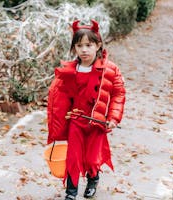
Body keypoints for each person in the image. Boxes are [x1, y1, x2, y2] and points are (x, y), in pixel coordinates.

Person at [47, 19, 126, 199]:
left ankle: (93, 179)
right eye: (79, 45)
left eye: (89, 45)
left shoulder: (110, 70)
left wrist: (113, 117)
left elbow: (118, 94)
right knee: (73, 156)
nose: (84, 50)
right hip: (76, 120)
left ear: (98, 45)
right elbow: (58, 97)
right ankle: (71, 191)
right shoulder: (70, 70)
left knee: (91, 157)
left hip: (97, 122)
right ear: (74, 47)